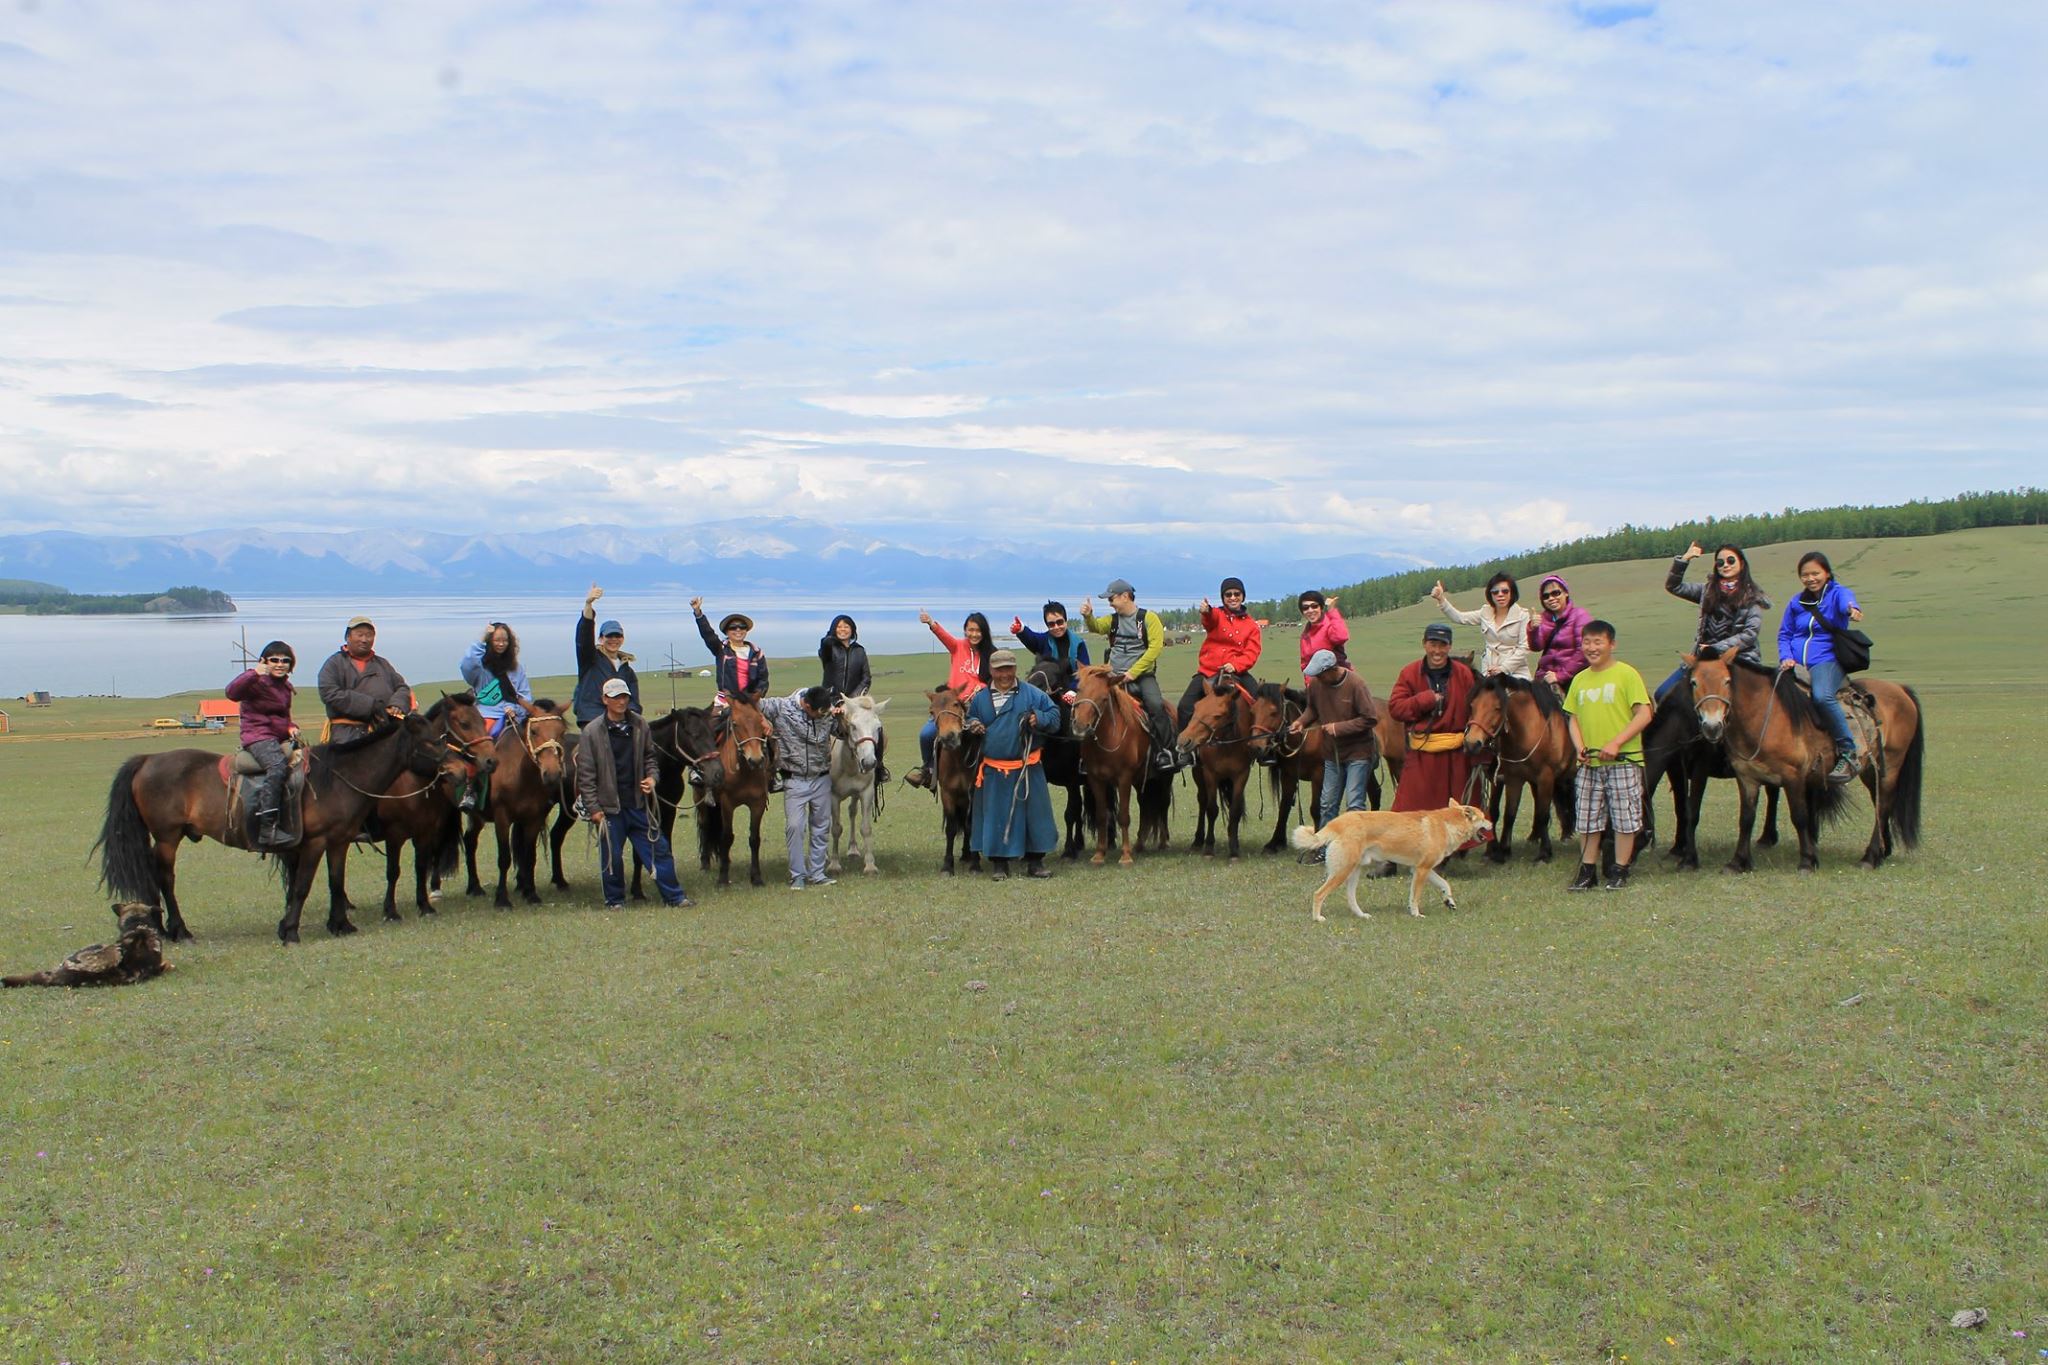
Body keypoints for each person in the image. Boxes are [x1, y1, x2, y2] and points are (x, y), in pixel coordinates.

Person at [574, 677, 692, 911]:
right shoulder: (592, 732)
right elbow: (586, 775)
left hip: (638, 803)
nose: (621, 701)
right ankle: (615, 900)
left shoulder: (639, 725)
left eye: (624, 696)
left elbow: (650, 758)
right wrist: (594, 809)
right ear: (604, 699)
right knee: (612, 858)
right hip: (609, 806)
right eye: (615, 697)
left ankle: (675, 897)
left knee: (658, 849)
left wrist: (652, 778)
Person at [1562, 620, 1653, 890]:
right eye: (1587, 642)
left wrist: (1616, 742)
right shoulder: (1579, 679)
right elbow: (1573, 718)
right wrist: (1578, 746)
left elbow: (1645, 713)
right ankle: (1587, 871)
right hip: (1589, 762)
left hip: (1623, 760)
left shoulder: (1627, 674)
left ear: (1611, 644)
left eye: (1598, 642)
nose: (1592, 648)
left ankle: (1620, 870)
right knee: (1588, 818)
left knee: (1625, 818)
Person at [964, 649, 1064, 880]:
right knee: (995, 816)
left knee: (1035, 816)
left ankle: (1035, 862)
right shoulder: (980, 699)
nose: (1004, 674)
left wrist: (1039, 718)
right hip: (994, 769)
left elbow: (1055, 715)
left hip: (1028, 767)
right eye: (999, 669)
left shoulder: (1033, 694)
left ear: (1015, 668)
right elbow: (969, 718)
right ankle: (1000, 864)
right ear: (991, 670)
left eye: (1008, 668)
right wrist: (974, 723)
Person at [1778, 550, 1865, 784]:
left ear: (1827, 573)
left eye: (1815, 573)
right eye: (1805, 575)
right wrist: (1785, 657)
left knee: (1822, 696)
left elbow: (1847, 599)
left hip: (1826, 660)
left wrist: (1852, 608)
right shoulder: (1796, 602)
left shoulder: (1836, 594)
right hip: (1794, 663)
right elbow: (1785, 634)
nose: (1810, 578)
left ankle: (1848, 752)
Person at [1081, 579, 1181, 772]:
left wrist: (1133, 672)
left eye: (1111, 599)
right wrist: (1088, 616)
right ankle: (1087, 757)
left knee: (1156, 705)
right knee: (1090, 703)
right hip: (1113, 675)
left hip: (1143, 676)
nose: (1109, 603)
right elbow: (1096, 627)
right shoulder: (1113, 620)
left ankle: (1167, 752)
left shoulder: (1149, 619)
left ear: (1125, 596)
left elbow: (1155, 648)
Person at [756, 685, 843, 890]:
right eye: (815, 713)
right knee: (795, 826)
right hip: (794, 778)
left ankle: (817, 873)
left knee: (821, 826)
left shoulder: (825, 711)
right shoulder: (780, 707)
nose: (819, 717)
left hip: (821, 776)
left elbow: (841, 733)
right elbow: (751, 704)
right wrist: (762, 721)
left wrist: (842, 717)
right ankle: (797, 875)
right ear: (805, 704)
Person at [1658, 541, 1770, 698]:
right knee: (1664, 693)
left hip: (1738, 659)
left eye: (1731, 560)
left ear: (1742, 564)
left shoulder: (1753, 598)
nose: (1725, 565)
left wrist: (1715, 648)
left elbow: (1749, 634)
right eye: (1720, 562)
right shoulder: (1707, 590)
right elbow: (1673, 586)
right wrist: (1684, 559)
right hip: (1702, 659)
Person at [1387, 622, 1476, 813]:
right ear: (1424, 644)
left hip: (1456, 757)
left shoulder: (1464, 674)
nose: (1437, 651)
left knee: (1458, 817)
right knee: (1411, 815)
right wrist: (1425, 700)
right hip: (1421, 756)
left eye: (1442, 645)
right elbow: (1395, 708)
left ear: (1449, 646)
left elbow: (1476, 710)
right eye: (1433, 644)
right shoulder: (1409, 673)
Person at [1289, 649, 1380, 836]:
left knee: (1354, 804)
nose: (1318, 678)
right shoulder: (1316, 684)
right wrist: (1301, 722)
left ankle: (1355, 848)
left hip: (1358, 754)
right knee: (1327, 803)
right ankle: (1325, 848)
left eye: (1320, 674)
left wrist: (1339, 728)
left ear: (1332, 669)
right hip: (1331, 753)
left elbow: (1370, 718)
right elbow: (1312, 709)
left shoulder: (1356, 684)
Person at [905, 609, 994, 789]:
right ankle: (928, 770)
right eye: (970, 630)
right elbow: (944, 637)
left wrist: (982, 688)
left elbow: (995, 680)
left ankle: (997, 770)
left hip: (977, 705)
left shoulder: (991, 653)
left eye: (978, 630)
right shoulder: (958, 646)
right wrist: (931, 623)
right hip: (952, 706)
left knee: (991, 733)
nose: (974, 634)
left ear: (984, 632)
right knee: (926, 734)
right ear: (965, 631)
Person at [225, 640, 300, 847]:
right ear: (264, 661)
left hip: (277, 737)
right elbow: (231, 692)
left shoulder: (284, 686)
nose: (279, 664)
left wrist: (290, 727)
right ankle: (267, 827)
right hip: (257, 736)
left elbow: (282, 716)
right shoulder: (255, 682)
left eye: (285, 660)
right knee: (277, 766)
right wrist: (254, 672)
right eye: (274, 660)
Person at [1178, 576, 1263, 727]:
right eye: (1228, 594)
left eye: (1237, 594)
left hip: (1237, 671)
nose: (1233, 598)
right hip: (1208, 671)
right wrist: (1206, 611)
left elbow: (1252, 652)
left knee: (1259, 704)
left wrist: (1236, 665)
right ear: (1223, 598)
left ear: (1243, 596)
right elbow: (1210, 619)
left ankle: (1260, 746)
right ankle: (1184, 749)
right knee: (1184, 707)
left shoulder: (1252, 626)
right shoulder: (1217, 614)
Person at [317, 615, 413, 740]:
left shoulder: (383, 664)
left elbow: (402, 687)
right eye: (360, 634)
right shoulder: (334, 663)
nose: (364, 639)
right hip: (346, 732)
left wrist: (397, 704)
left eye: (369, 635)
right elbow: (329, 693)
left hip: (382, 729)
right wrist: (371, 706)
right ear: (347, 637)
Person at [1431, 574, 1532, 679]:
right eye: (1495, 592)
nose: (1500, 595)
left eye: (1505, 591)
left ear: (1512, 593)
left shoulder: (1522, 615)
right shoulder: (1485, 612)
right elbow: (1460, 617)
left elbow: (1524, 648)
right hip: (1489, 672)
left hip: (1517, 673)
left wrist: (1503, 668)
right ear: (1490, 595)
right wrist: (1441, 599)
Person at [573, 584, 640, 726]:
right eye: (609, 636)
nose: (614, 640)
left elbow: (633, 701)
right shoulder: (590, 659)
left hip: (620, 720)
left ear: (622, 638)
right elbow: (583, 638)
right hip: (592, 718)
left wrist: (632, 715)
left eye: (617, 636)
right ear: (601, 639)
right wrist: (588, 604)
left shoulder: (627, 671)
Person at [691, 597, 770, 705]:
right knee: (710, 721)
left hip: (750, 702)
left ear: (746, 630)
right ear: (726, 632)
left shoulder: (757, 653)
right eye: (733, 627)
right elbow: (708, 634)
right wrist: (698, 613)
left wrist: (756, 695)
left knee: (766, 722)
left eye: (742, 627)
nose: (738, 630)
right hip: (725, 701)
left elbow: (763, 679)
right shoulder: (721, 649)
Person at [461, 622, 534, 735]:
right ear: (489, 642)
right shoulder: (480, 668)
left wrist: (515, 710)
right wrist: (481, 641)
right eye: (497, 640)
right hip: (486, 716)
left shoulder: (516, 668)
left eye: (505, 640)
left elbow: (525, 695)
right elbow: (467, 664)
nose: (501, 644)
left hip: (514, 716)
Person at [1526, 574, 1592, 692]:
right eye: (1546, 596)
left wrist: (1560, 675)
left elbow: (1583, 651)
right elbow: (1536, 647)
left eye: (1556, 593)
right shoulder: (1543, 618)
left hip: (1574, 677)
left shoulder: (1580, 615)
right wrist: (1533, 629)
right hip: (1545, 677)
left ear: (1566, 593)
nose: (1551, 598)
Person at [1012, 601, 1091, 671]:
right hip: (1049, 685)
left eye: (1059, 622)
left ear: (1065, 621)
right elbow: (1032, 638)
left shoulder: (1078, 643)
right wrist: (1021, 630)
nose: (1056, 627)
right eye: (1051, 624)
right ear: (1047, 625)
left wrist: (1072, 688)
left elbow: (1085, 671)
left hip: (1074, 686)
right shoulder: (1043, 641)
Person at [818, 614, 871, 703]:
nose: (842, 629)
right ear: (834, 629)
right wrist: (827, 639)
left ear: (852, 630)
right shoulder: (829, 648)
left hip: (854, 701)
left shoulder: (859, 651)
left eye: (846, 627)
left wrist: (852, 699)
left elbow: (866, 678)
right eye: (838, 627)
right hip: (830, 701)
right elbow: (824, 649)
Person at [1295, 590, 1349, 674]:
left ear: (1321, 607)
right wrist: (1310, 684)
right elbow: (1305, 664)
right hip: (1318, 683)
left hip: (1339, 680)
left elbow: (1341, 637)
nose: (1310, 610)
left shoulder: (1329, 625)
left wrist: (1332, 610)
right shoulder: (1305, 635)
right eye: (1305, 608)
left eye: (1314, 606)